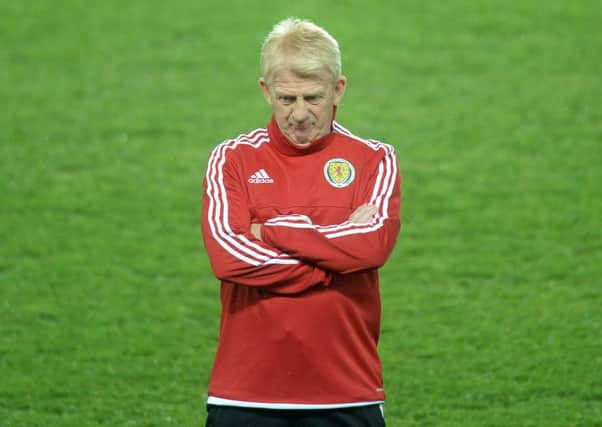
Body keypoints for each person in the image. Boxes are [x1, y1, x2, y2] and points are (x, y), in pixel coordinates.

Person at [201, 17, 401, 427]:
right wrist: (333, 261)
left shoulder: (375, 160)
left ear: (338, 89)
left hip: (347, 392)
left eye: (313, 97)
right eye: (285, 98)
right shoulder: (232, 159)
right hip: (245, 395)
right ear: (265, 91)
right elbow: (229, 257)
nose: (299, 114)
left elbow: (374, 243)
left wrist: (270, 232)